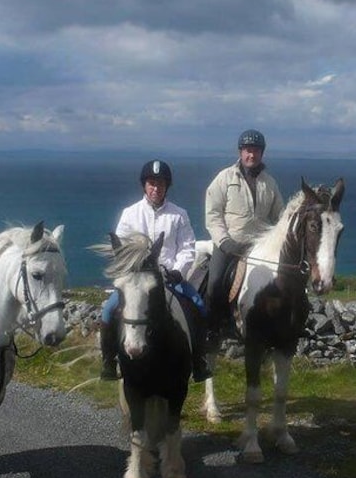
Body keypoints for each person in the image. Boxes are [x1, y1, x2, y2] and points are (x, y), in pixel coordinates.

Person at [99, 159, 211, 383]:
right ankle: (108, 361)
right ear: (144, 185)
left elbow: (187, 247)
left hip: (170, 278)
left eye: (160, 184)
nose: (155, 188)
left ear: (166, 186)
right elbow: (120, 250)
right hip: (137, 281)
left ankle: (198, 361)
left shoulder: (179, 215)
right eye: (151, 183)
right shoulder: (130, 214)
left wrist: (178, 270)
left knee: (199, 306)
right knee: (108, 310)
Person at [204, 129, 284, 350]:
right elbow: (213, 215)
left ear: (262, 153)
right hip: (229, 244)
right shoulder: (225, 178)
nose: (252, 155)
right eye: (248, 150)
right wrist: (224, 241)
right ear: (240, 152)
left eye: (256, 151)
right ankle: (214, 327)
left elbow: (280, 218)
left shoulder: (270, 183)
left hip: (260, 247)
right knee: (216, 282)